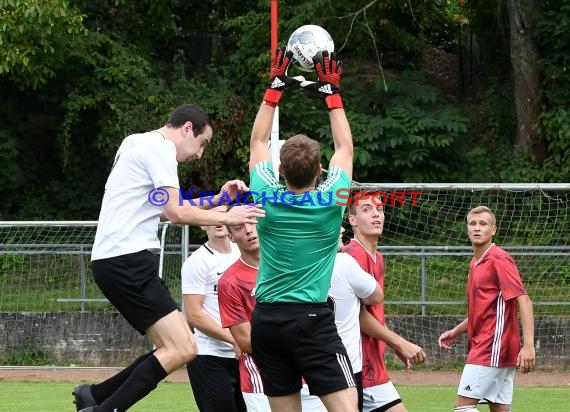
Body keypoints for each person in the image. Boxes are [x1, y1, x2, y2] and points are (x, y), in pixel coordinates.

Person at [73, 104, 264, 412]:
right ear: (187, 128)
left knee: (174, 347)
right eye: (202, 144)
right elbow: (176, 213)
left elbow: (163, 208)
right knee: (184, 347)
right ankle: (101, 408)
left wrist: (218, 200)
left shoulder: (136, 142)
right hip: (127, 261)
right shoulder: (160, 150)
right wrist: (231, 218)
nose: (199, 154)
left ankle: (94, 396)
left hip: (116, 261)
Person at [248, 48, 358, 412]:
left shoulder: (265, 194)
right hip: (310, 320)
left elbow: (257, 143)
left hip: (265, 322)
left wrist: (274, 89)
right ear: (320, 170)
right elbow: (345, 146)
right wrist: (331, 93)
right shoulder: (332, 200)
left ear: (280, 170)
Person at [438, 205, 535, 412]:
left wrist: (528, 346)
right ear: (467, 229)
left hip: (492, 346)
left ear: (493, 230)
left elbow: (524, 301)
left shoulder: (499, 259)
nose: (477, 228)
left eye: (483, 224)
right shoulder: (475, 262)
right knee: (499, 409)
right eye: (473, 223)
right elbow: (483, 310)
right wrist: (456, 331)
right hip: (491, 347)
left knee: (463, 407)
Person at [344, 193, 426, 412]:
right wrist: (399, 342)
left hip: (372, 367)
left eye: (379, 210)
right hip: (354, 365)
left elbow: (374, 313)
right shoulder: (351, 255)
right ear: (352, 220)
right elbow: (359, 316)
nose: (376, 215)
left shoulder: (377, 257)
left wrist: (391, 343)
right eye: (367, 210)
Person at [301, 227, 385, 412]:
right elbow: (376, 296)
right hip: (343, 366)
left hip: (303, 365)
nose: (342, 229)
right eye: (332, 223)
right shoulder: (343, 263)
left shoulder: (291, 264)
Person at [181, 205, 245, 412]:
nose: (218, 220)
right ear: (202, 223)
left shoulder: (244, 253)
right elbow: (194, 315)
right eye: (211, 216)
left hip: (247, 355)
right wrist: (234, 339)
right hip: (210, 356)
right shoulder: (197, 262)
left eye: (223, 215)